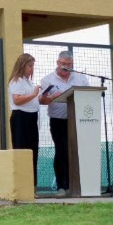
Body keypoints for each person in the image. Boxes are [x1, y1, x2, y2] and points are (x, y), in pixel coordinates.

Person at [38, 50, 89, 196]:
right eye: (63, 64)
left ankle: (77, 185)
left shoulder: (80, 78)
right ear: (57, 63)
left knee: (75, 151)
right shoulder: (48, 80)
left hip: (77, 120)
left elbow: (87, 94)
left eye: (68, 64)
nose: (65, 67)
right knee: (62, 150)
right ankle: (62, 186)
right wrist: (51, 97)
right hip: (58, 121)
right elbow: (42, 101)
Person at [7, 54, 42, 174]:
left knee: (33, 151)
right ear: (22, 65)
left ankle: (32, 184)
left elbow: (32, 100)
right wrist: (33, 94)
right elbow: (17, 100)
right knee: (22, 151)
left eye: (33, 66)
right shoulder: (17, 81)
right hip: (21, 118)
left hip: (31, 118)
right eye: (30, 65)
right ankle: (23, 182)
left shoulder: (28, 82)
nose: (32, 68)